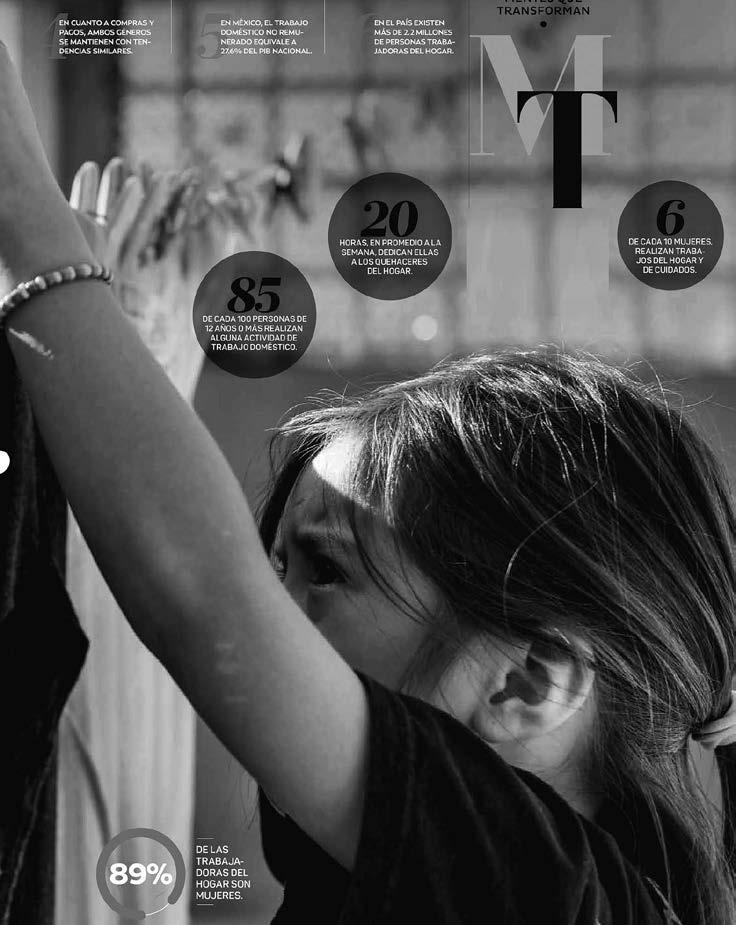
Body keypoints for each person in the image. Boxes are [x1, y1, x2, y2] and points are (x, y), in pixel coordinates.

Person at [0, 42, 734, 925]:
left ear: (527, 681)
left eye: (325, 570)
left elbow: (205, 598)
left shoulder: (552, 897)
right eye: (276, 566)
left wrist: (25, 213)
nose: (274, 610)